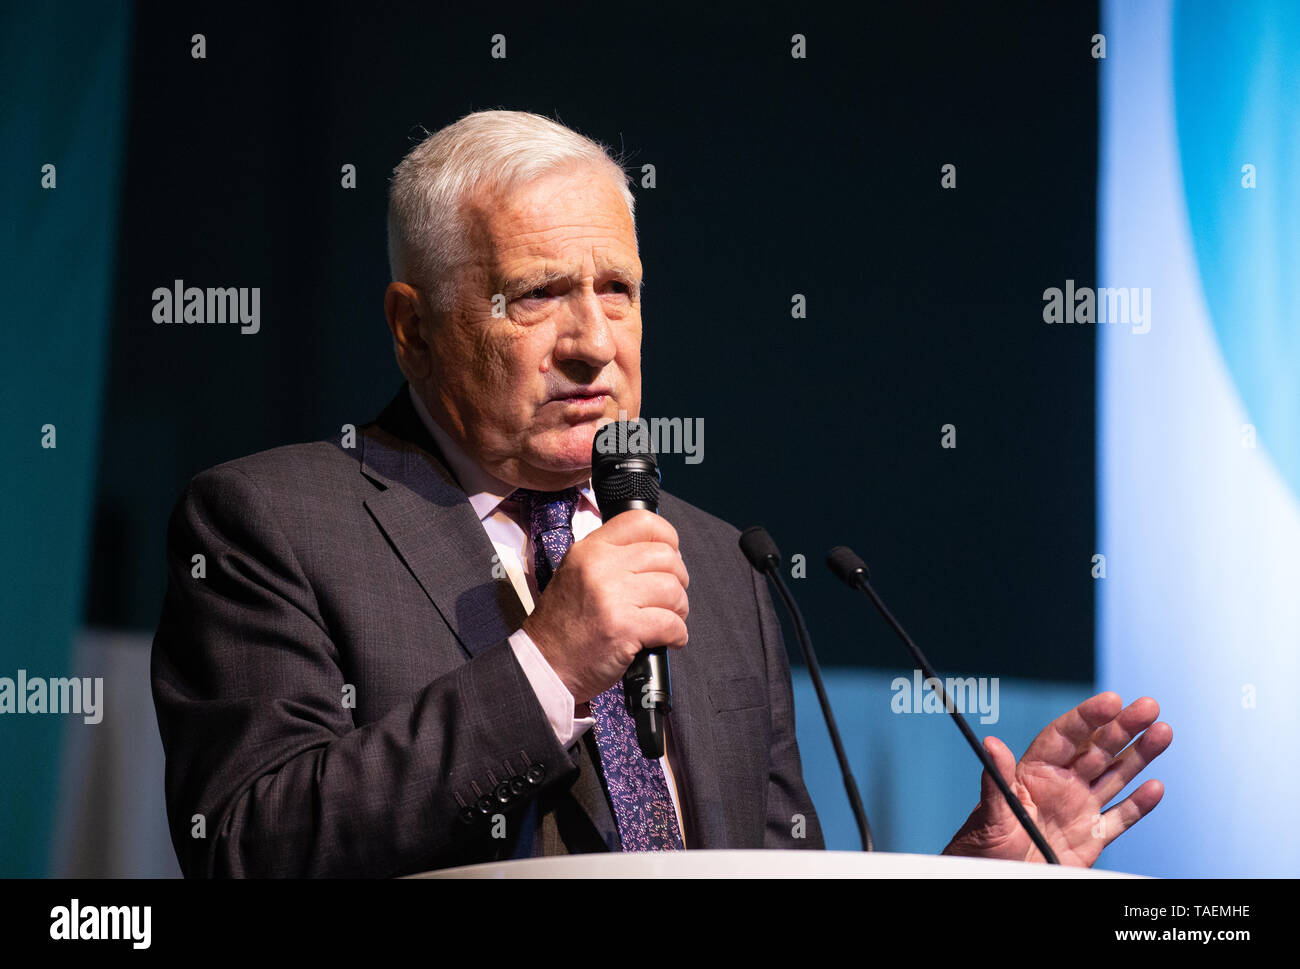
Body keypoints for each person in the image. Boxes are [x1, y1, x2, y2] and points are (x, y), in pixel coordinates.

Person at [151, 109, 1171, 877]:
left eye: (618, 291)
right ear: (412, 325)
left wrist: (973, 871)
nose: (594, 341)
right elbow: (245, 843)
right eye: (540, 294)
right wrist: (549, 666)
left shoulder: (721, 566)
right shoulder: (273, 523)